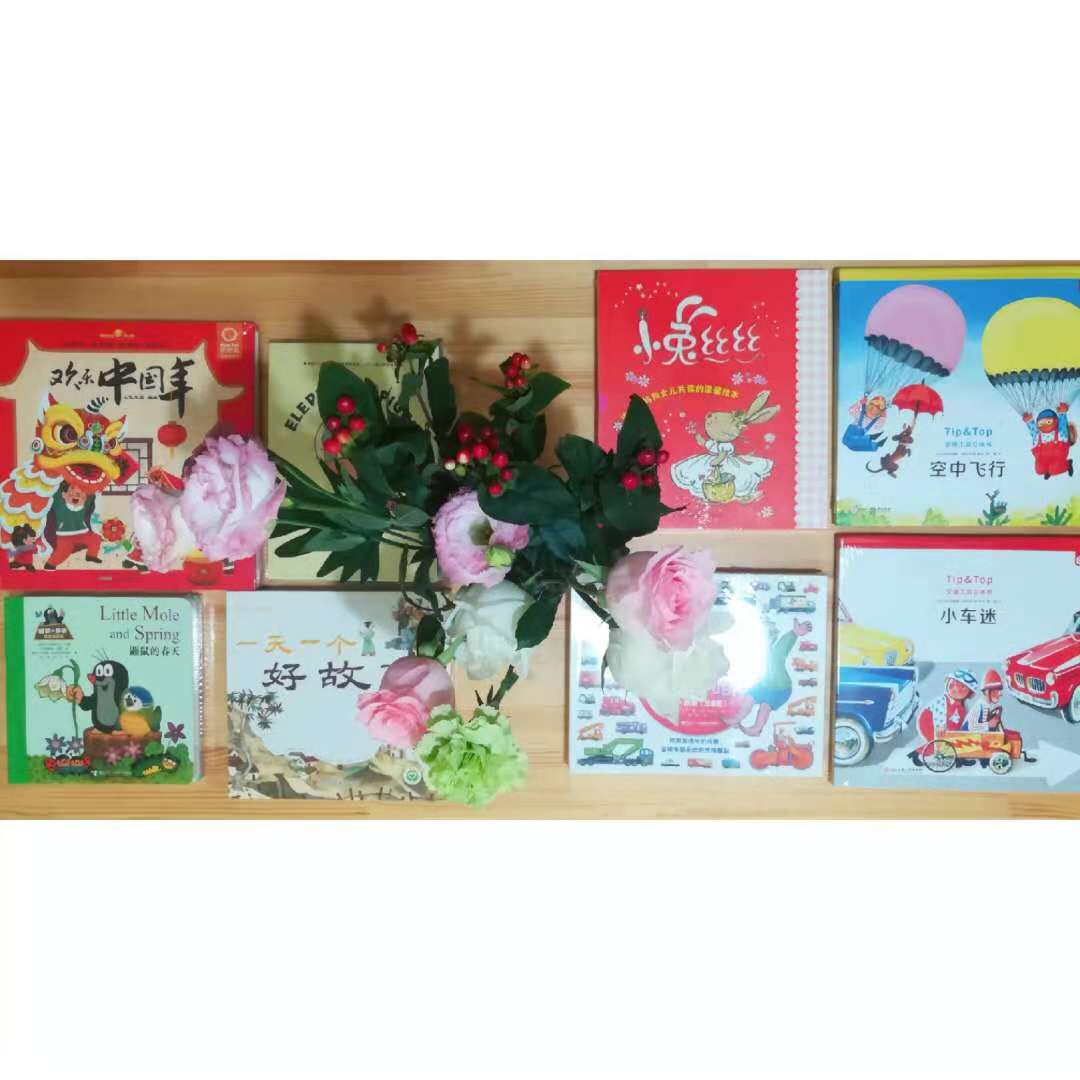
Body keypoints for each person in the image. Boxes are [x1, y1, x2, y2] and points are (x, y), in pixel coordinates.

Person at [908, 669, 978, 766]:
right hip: (930, 722)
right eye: (953, 685)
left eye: (963, 687)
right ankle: (916, 754)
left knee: (958, 739)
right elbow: (939, 714)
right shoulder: (942, 701)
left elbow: (964, 718)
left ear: (970, 692)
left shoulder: (963, 705)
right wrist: (940, 727)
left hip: (950, 723)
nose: (956, 689)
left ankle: (959, 758)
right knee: (937, 743)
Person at [1023, 402, 1074, 478]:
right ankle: (1047, 471)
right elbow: (1033, 431)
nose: (1045, 425)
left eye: (1048, 422)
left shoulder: (1060, 434)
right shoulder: (1038, 436)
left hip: (1057, 458)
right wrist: (1029, 421)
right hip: (1043, 459)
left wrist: (1062, 413)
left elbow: (1062, 425)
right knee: (1039, 470)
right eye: (1041, 423)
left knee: (1054, 469)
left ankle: (1067, 465)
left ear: (1055, 421)